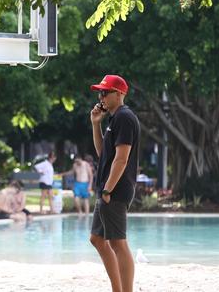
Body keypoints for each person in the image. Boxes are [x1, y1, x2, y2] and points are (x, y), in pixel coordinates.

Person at [89, 74, 141, 292]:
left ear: (119, 94)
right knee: (97, 240)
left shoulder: (124, 117)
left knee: (118, 243)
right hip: (107, 189)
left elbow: (122, 158)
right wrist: (95, 124)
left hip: (115, 189)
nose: (101, 96)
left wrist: (108, 189)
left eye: (105, 92)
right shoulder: (113, 119)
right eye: (100, 92)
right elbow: (104, 154)